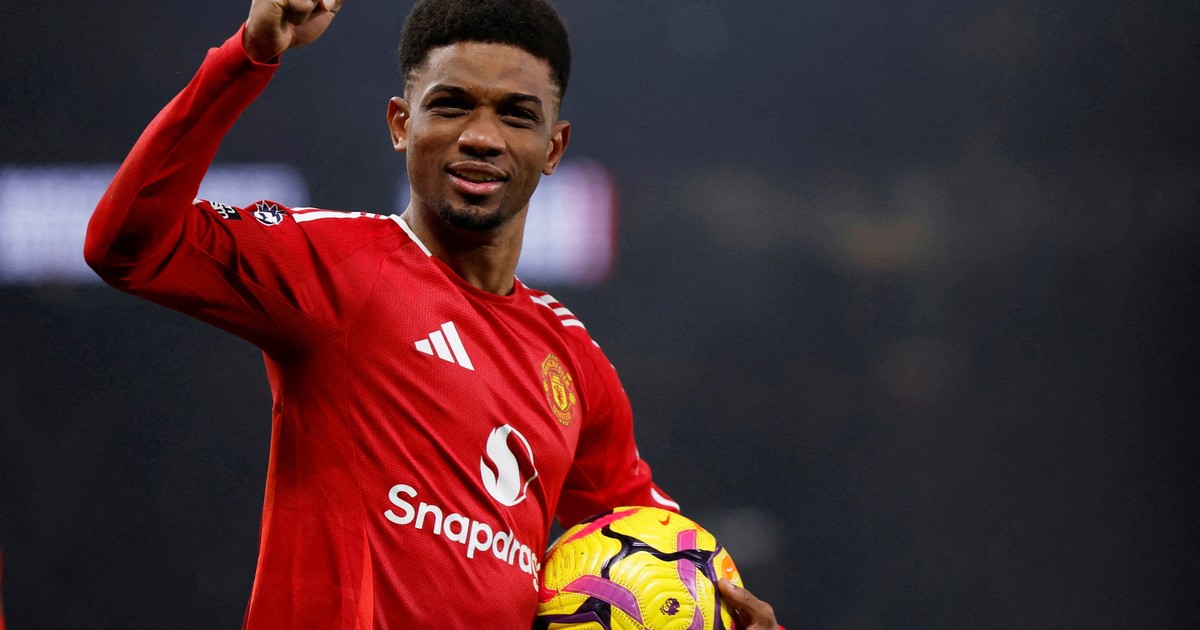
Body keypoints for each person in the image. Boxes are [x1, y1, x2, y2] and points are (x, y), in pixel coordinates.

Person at [84, 0, 779, 627]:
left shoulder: (572, 360)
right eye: (451, 106)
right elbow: (124, 247)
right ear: (401, 124)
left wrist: (732, 610)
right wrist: (247, 55)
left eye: (516, 115)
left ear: (553, 148)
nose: (482, 137)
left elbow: (657, 542)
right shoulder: (337, 266)